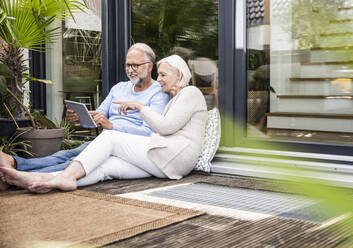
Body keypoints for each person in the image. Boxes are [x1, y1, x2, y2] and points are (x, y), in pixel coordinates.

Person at [0, 55, 208, 193]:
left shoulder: (191, 92)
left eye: (163, 75)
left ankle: (63, 177)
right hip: (166, 160)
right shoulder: (175, 98)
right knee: (106, 167)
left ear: (179, 74)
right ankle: (39, 180)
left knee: (110, 138)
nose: (160, 79)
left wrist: (138, 107)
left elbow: (165, 128)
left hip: (175, 157)